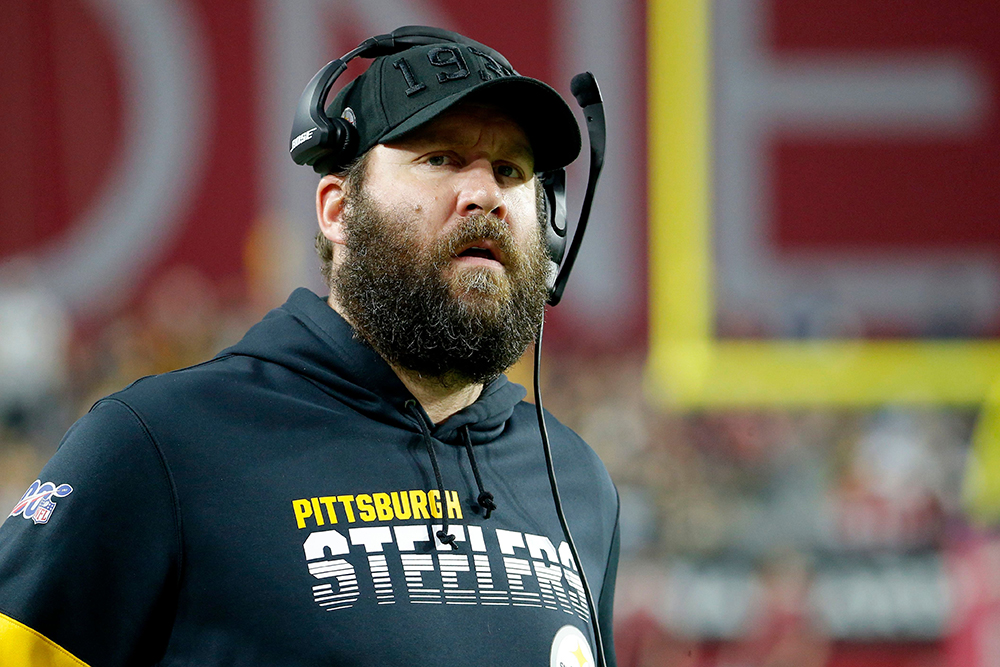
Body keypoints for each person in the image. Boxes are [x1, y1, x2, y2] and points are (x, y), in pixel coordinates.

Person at [0, 29, 620, 667]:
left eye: (510, 170)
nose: (485, 194)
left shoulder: (575, 481)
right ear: (337, 210)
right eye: (439, 159)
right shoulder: (158, 447)